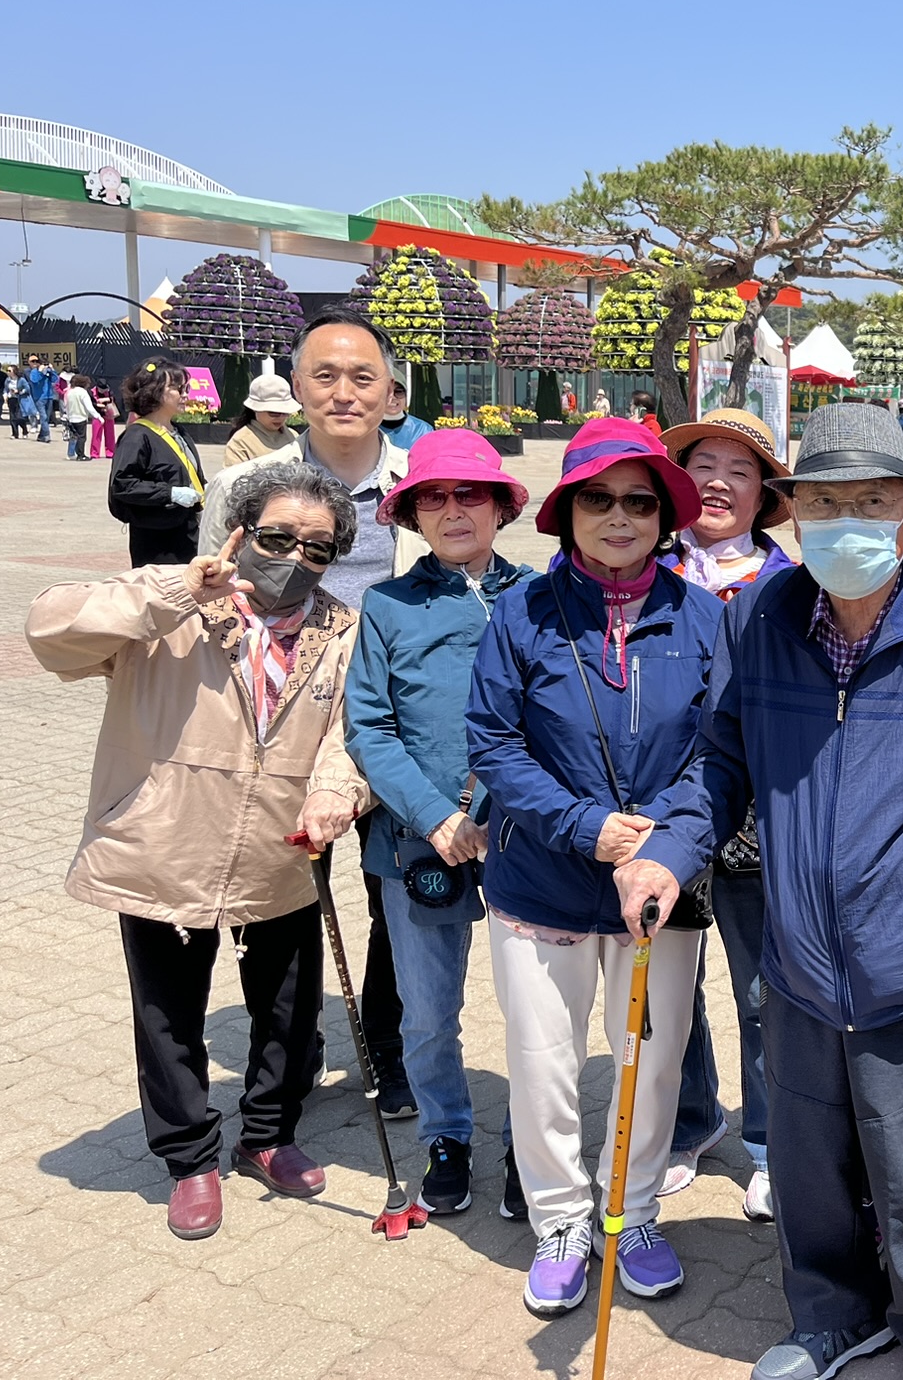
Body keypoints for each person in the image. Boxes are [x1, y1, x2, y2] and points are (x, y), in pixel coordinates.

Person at [621, 402, 903, 1380]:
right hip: (801, 964)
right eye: (823, 503)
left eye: (869, 500)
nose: (845, 521)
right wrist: (668, 852)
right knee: (809, 1169)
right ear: (791, 512)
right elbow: (719, 763)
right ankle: (831, 1317)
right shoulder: (757, 618)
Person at [27, 460, 368, 1240]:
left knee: (288, 1009)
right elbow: (50, 630)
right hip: (166, 845)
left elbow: (353, 734)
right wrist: (178, 588)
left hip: (283, 850)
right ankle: (188, 1158)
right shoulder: (173, 602)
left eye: (317, 549)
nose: (295, 558)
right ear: (241, 533)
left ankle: (268, 1134)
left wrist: (336, 792)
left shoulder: (342, 629)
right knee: (168, 1015)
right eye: (278, 538)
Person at [465, 418, 724, 1317]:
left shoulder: (705, 616)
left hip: (660, 888)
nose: (620, 517)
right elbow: (494, 745)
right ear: (568, 510)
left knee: (652, 1061)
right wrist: (588, 829)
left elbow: (721, 751)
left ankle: (635, 1212)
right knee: (543, 1064)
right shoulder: (521, 613)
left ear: (664, 516)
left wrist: (664, 845)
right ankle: (561, 1222)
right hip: (542, 880)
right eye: (599, 499)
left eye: (640, 502)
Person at [204, 309, 427, 1116]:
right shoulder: (241, 485)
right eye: (324, 376)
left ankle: (389, 1048)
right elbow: (213, 600)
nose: (343, 392)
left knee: (399, 897)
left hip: (394, 725)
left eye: (363, 377)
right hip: (283, 722)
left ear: (391, 393)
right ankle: (290, 1050)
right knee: (280, 898)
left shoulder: (420, 480)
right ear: (295, 387)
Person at [345, 431, 537, 1221]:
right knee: (426, 1014)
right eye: (434, 497)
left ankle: (531, 1142)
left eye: (470, 494)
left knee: (536, 1010)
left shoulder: (538, 596)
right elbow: (368, 727)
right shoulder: (387, 606)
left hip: (525, 838)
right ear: (411, 515)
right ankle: (446, 1135)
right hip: (417, 839)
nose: (454, 510)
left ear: (499, 507)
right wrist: (436, 817)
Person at [655, 408, 798, 1223]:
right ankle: (688, 1119)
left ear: (764, 494)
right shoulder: (645, 569)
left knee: (760, 989)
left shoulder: (790, 585)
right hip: (658, 813)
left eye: (739, 471)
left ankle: (772, 1141)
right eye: (702, 465)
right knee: (669, 987)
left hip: (753, 818)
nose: (717, 482)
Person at [109, 359, 207, 567]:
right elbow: (123, 484)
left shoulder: (179, 432)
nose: (185, 395)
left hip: (189, 533)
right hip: (157, 542)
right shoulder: (137, 436)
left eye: (186, 389)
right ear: (154, 392)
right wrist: (170, 493)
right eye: (177, 389)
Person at [224, 369, 304, 468]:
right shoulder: (240, 443)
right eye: (274, 413)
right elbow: (232, 476)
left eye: (285, 412)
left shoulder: (293, 436)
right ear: (255, 409)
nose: (281, 417)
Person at [378, 380, 435, 451]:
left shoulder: (423, 431)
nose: (392, 397)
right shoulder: (368, 430)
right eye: (387, 392)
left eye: (399, 392)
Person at [62, 374, 101, 461]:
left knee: (73, 436)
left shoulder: (69, 392)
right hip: (80, 417)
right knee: (81, 437)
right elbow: (89, 407)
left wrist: (67, 416)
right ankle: (81, 455)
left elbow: (66, 405)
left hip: (71, 418)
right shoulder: (83, 392)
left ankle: (71, 453)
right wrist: (98, 416)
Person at [26, 357, 57, 446]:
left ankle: (41, 435)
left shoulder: (48, 372)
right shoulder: (34, 372)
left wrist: (52, 370)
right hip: (39, 397)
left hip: (49, 396)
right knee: (43, 416)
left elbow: (55, 380)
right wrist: (40, 372)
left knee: (47, 417)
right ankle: (47, 435)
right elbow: (34, 380)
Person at [94, 382, 119, 460]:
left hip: (109, 414)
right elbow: (91, 403)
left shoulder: (109, 390)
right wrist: (97, 404)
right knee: (96, 434)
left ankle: (110, 452)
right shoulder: (92, 392)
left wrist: (105, 399)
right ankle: (95, 453)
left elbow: (113, 398)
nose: (104, 391)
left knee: (110, 434)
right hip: (97, 414)